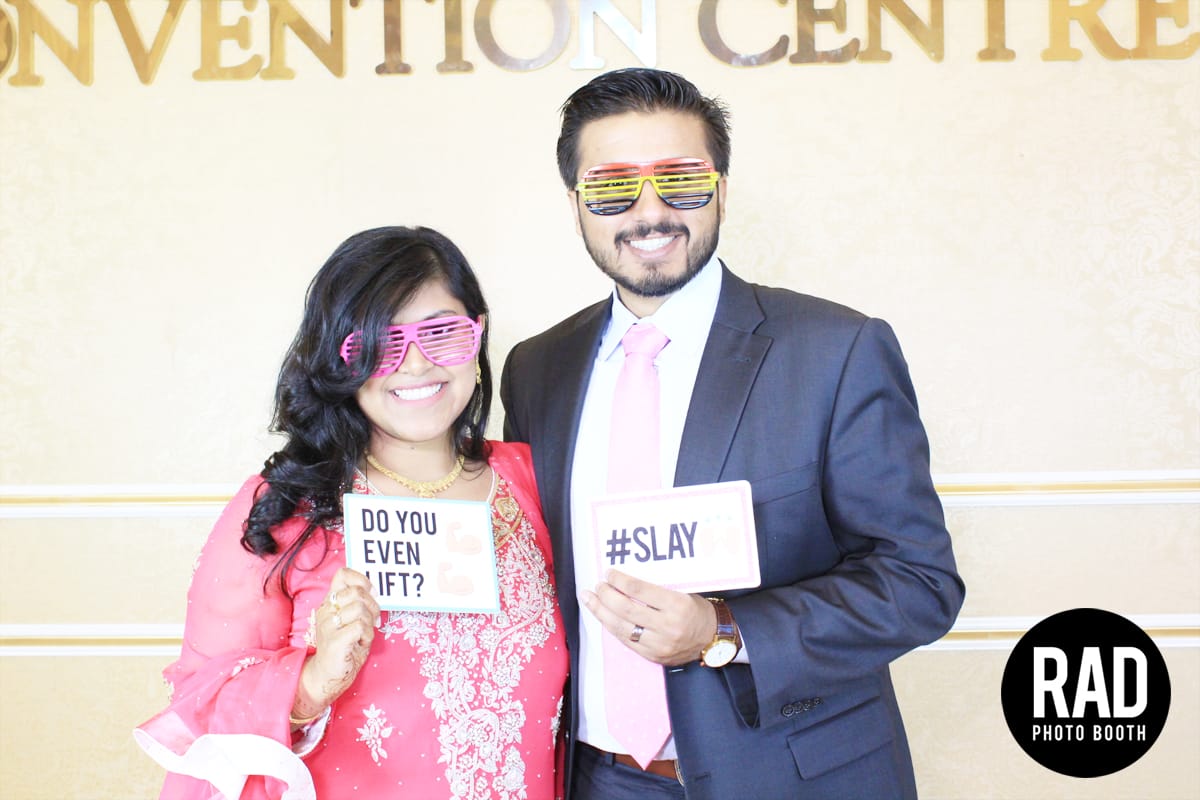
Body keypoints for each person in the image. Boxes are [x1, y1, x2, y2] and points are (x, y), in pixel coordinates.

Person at [499, 68, 965, 800]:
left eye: (681, 180)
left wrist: (723, 629)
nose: (649, 211)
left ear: (721, 188)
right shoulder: (537, 369)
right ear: (575, 203)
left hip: (794, 778)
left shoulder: (836, 350)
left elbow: (920, 583)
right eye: (613, 187)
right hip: (597, 780)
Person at [135, 226, 567, 800]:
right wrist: (310, 684)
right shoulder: (290, 507)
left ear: (478, 332)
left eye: (441, 332)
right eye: (379, 343)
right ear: (339, 358)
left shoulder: (535, 481)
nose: (416, 363)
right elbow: (201, 702)